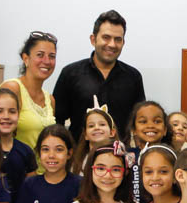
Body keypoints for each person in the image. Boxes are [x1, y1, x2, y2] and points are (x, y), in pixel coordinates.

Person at [53, 10, 145, 141]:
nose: (112, 44)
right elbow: (57, 121)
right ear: (93, 39)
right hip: (79, 152)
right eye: (106, 37)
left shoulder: (133, 77)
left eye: (118, 39)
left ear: (123, 43)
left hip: (119, 153)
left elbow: (140, 121)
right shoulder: (70, 73)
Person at [0, 31, 58, 150]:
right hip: (16, 161)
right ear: (26, 58)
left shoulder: (50, 99)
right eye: (40, 55)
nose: (47, 61)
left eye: (52, 56)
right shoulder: (12, 89)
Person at [123, 100, 171, 203]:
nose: (150, 125)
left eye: (157, 121)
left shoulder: (171, 156)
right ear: (133, 130)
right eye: (143, 121)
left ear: (165, 130)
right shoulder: (126, 155)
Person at [71, 105, 117, 174]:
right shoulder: (77, 162)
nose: (96, 128)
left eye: (102, 124)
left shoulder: (120, 158)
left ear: (112, 132)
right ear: (85, 135)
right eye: (91, 126)